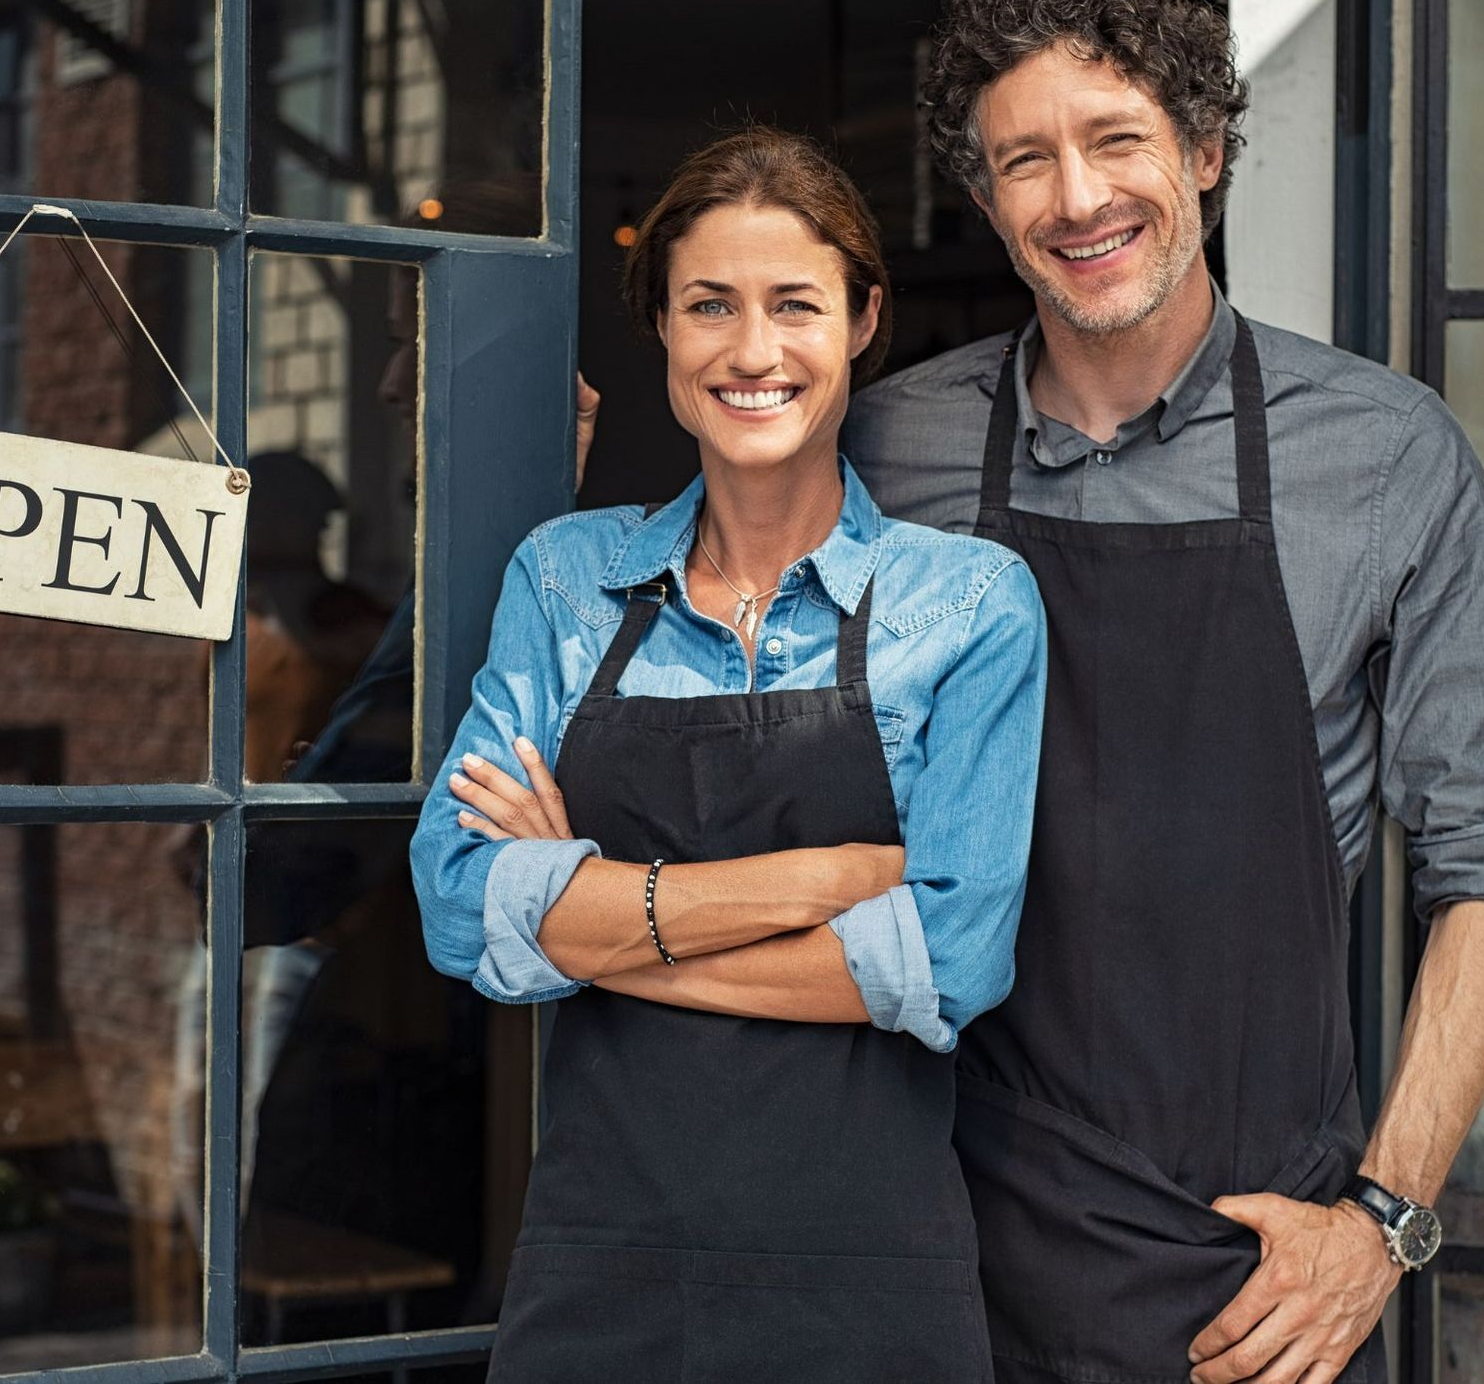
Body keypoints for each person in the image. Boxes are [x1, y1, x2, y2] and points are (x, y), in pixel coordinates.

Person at [833, 0, 1484, 1384]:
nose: (1079, 196)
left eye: (1116, 139)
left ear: (1208, 150)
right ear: (984, 197)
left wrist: (1384, 1215)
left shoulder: (1386, 453)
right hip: (928, 1217)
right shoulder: (882, 444)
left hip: (1247, 1267)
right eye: (1024, 159)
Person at [409, 126, 1045, 1381]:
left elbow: (951, 962)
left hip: (868, 1281)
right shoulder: (568, 579)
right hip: (602, 1268)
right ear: (662, 329)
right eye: (710, 305)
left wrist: (590, 927)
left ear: (864, 320)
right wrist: (826, 883)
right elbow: (451, 902)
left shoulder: (969, 605)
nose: (753, 351)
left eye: (795, 305)